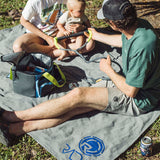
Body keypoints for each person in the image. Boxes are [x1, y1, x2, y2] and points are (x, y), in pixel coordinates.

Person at [1, 0, 160, 146]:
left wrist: (109, 71)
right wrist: (96, 35)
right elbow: (124, 41)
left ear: (113, 24)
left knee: (78, 95)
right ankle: (17, 129)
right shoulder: (140, 26)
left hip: (140, 99)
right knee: (75, 107)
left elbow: (130, 91)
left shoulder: (143, 49)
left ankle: (12, 116)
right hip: (132, 85)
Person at [12, 0, 95, 59]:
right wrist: (47, 38)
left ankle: (51, 52)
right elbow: (23, 21)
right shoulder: (35, 2)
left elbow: (81, 16)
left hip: (63, 33)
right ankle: (55, 50)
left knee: (90, 45)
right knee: (18, 47)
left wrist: (81, 27)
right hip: (39, 34)